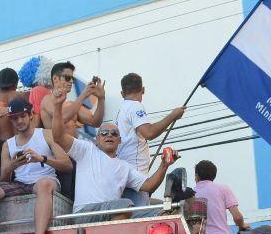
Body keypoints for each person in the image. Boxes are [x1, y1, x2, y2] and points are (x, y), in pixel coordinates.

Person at [48, 89, 177, 222]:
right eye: (104, 132)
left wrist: (164, 165)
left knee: (161, 210)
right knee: (124, 205)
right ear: (97, 139)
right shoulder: (87, 150)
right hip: (85, 214)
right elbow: (58, 136)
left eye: (114, 133)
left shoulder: (125, 167)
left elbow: (149, 185)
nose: (109, 135)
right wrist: (57, 106)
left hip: (111, 214)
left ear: (119, 140)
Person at [0, 97, 71, 234]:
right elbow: (3, 180)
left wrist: (41, 158)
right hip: (20, 184)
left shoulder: (46, 134)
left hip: (46, 180)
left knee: (44, 185)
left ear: (31, 115)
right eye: (14, 118)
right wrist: (11, 166)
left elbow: (67, 164)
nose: (19, 121)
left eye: (22, 116)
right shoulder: (8, 145)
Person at [116, 73, 186, 205]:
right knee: (138, 222)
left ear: (122, 93)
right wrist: (172, 116)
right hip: (135, 177)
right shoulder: (135, 106)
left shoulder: (123, 109)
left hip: (128, 176)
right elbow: (149, 132)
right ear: (143, 90)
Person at [38, 61, 105, 137]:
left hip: (75, 147)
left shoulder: (72, 105)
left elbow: (95, 122)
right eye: (67, 78)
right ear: (55, 78)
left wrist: (101, 98)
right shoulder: (47, 100)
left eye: (72, 79)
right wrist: (83, 95)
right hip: (58, 147)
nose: (71, 81)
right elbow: (62, 117)